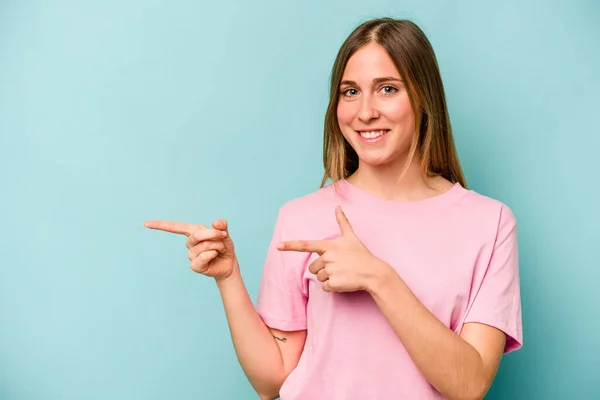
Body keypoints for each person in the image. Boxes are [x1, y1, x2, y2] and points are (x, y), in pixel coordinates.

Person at [144, 17, 523, 400]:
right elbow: (271, 380)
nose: (365, 112)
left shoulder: (488, 224)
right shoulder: (301, 217)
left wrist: (379, 278)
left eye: (387, 89)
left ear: (424, 98)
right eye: (350, 92)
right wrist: (228, 278)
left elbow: (469, 384)